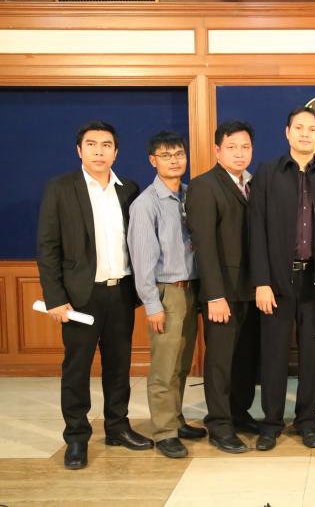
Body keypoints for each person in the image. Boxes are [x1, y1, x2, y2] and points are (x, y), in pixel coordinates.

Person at [37, 120, 152, 470]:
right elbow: (48, 247)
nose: (99, 151)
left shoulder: (128, 189)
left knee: (118, 366)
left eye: (106, 145)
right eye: (91, 144)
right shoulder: (60, 189)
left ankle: (117, 426)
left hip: (121, 294)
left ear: (116, 152)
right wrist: (55, 297)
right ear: (79, 150)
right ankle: (76, 437)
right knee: (77, 368)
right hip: (79, 298)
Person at [249, 106, 315, 451]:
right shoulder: (268, 172)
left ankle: (307, 422)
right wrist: (261, 281)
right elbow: (256, 228)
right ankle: (271, 423)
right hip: (275, 282)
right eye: (299, 128)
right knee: (273, 355)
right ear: (287, 132)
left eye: (312, 129)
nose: (305, 134)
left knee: (311, 357)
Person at [127, 131, 207, 459]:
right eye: (166, 155)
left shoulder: (190, 195)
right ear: (153, 160)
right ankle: (164, 432)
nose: (174, 160)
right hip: (167, 293)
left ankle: (176, 419)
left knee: (182, 362)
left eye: (178, 154)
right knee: (164, 366)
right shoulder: (146, 204)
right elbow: (142, 259)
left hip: (192, 289)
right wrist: (152, 305)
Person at [185, 120, 261, 454]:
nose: (239, 153)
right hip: (222, 293)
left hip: (252, 290)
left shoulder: (254, 184)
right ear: (217, 151)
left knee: (245, 358)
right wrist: (214, 295)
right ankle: (218, 424)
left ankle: (239, 413)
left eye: (245, 147)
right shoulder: (204, 186)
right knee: (220, 361)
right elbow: (204, 245)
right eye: (232, 147)